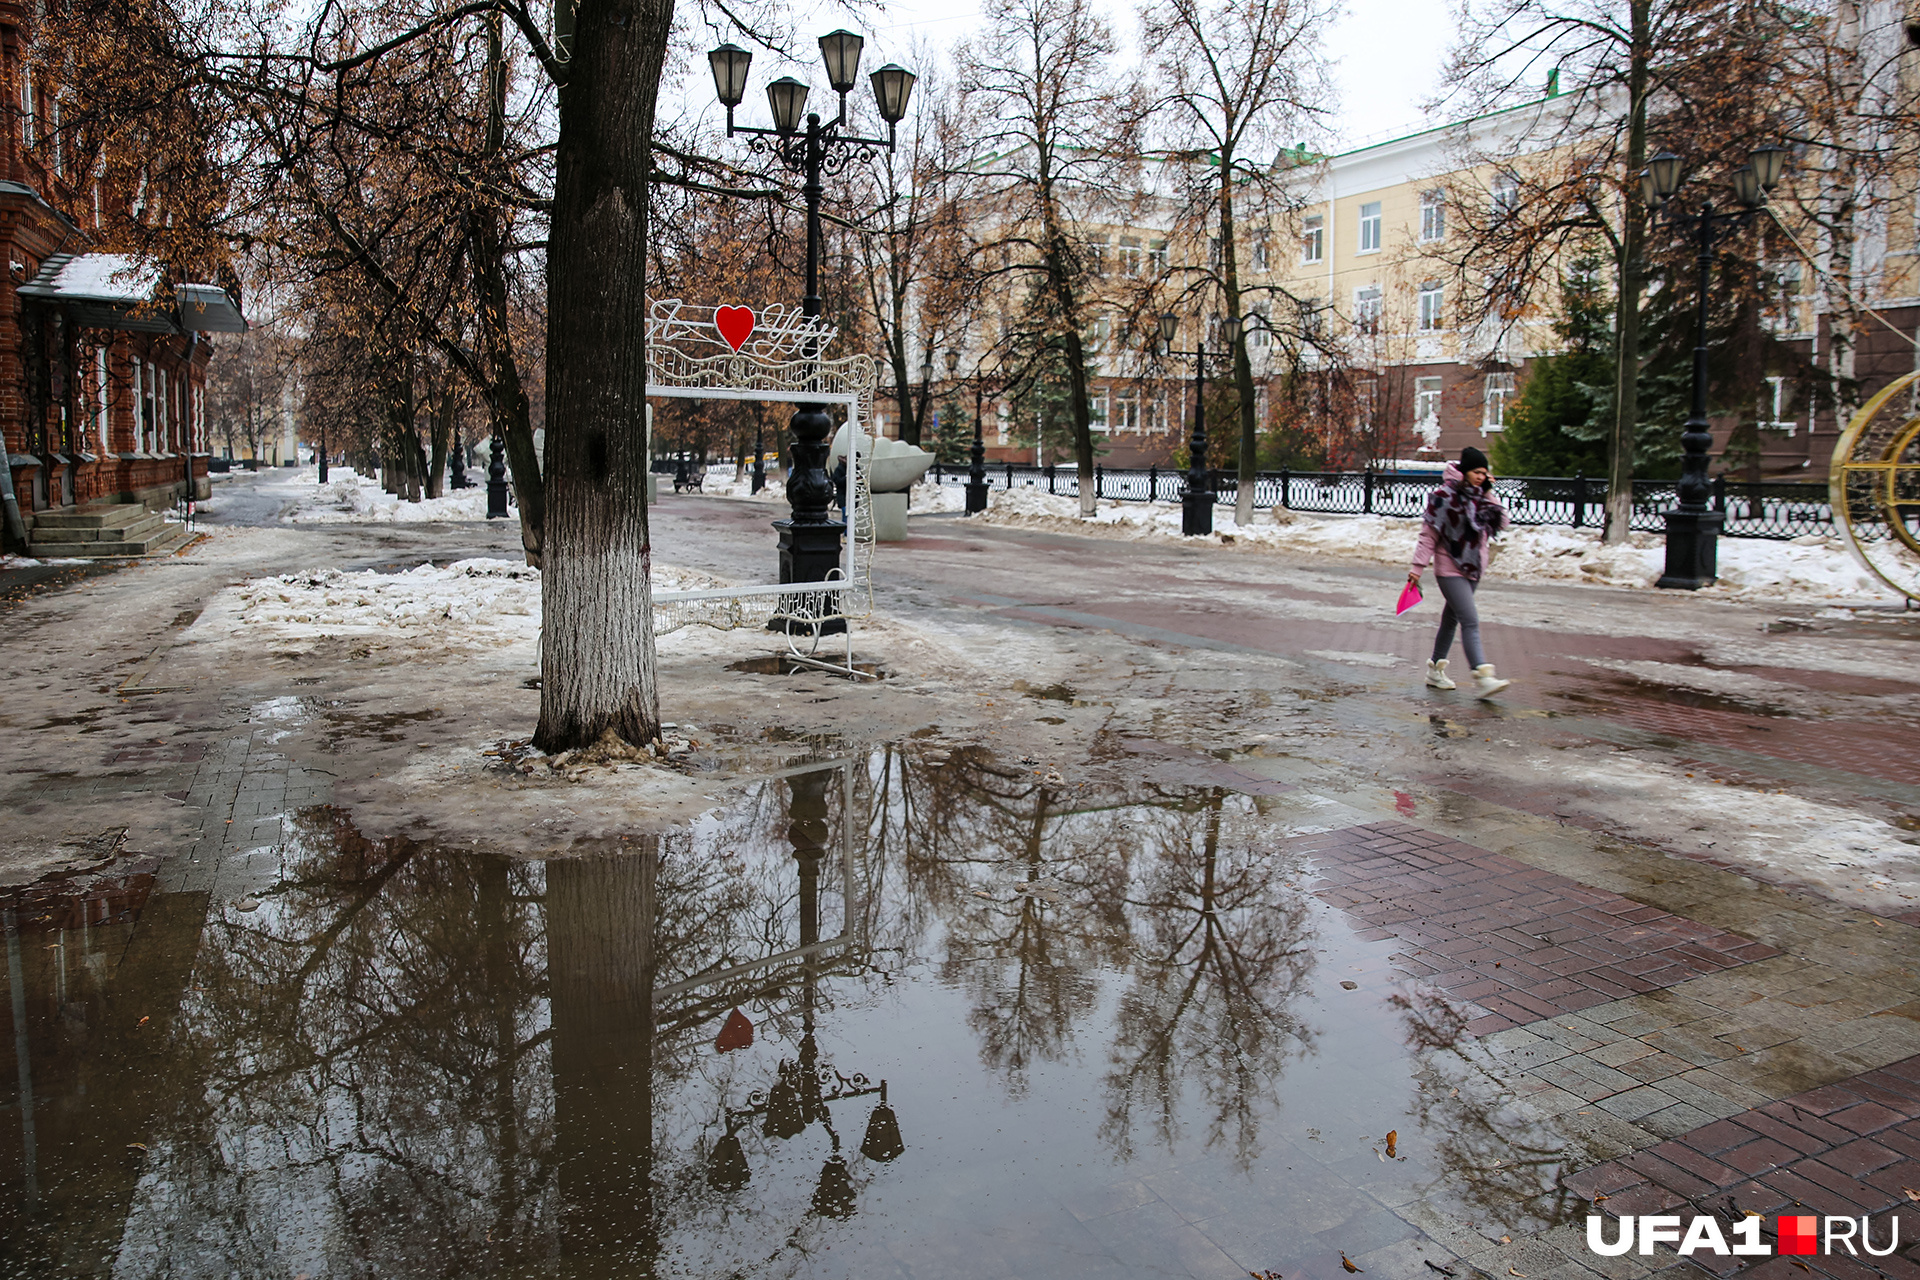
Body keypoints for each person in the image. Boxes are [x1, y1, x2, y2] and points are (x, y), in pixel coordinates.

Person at [1408, 446, 1511, 697]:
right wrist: (1417, 568)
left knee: (1451, 619)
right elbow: (1428, 536)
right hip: (1449, 567)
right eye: (1477, 472)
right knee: (1470, 620)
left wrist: (1489, 492)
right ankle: (1482, 675)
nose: (1481, 476)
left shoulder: (1480, 496)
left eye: (1484, 473)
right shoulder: (1443, 497)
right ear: (1464, 471)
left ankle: (1435, 669)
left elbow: (1503, 522)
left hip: (1474, 568)